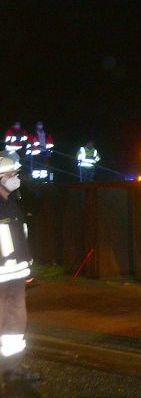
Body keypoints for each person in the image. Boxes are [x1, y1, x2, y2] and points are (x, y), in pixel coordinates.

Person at [0, 153, 39, 384]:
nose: (15, 178)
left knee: (14, 324)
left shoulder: (13, 203)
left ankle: (11, 366)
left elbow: (20, 239)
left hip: (15, 277)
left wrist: (28, 270)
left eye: (16, 174)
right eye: (10, 174)